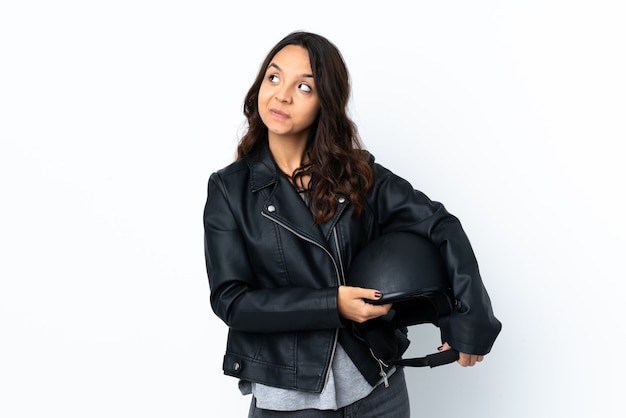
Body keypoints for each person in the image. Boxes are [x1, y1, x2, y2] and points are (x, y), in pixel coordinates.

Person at [203, 31, 501, 417]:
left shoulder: (357, 175)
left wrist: (467, 321)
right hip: (290, 400)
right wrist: (333, 304)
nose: (281, 95)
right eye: (273, 78)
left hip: (377, 388)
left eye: (304, 86)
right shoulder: (229, 189)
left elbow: (440, 225)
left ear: (325, 101)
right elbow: (233, 301)